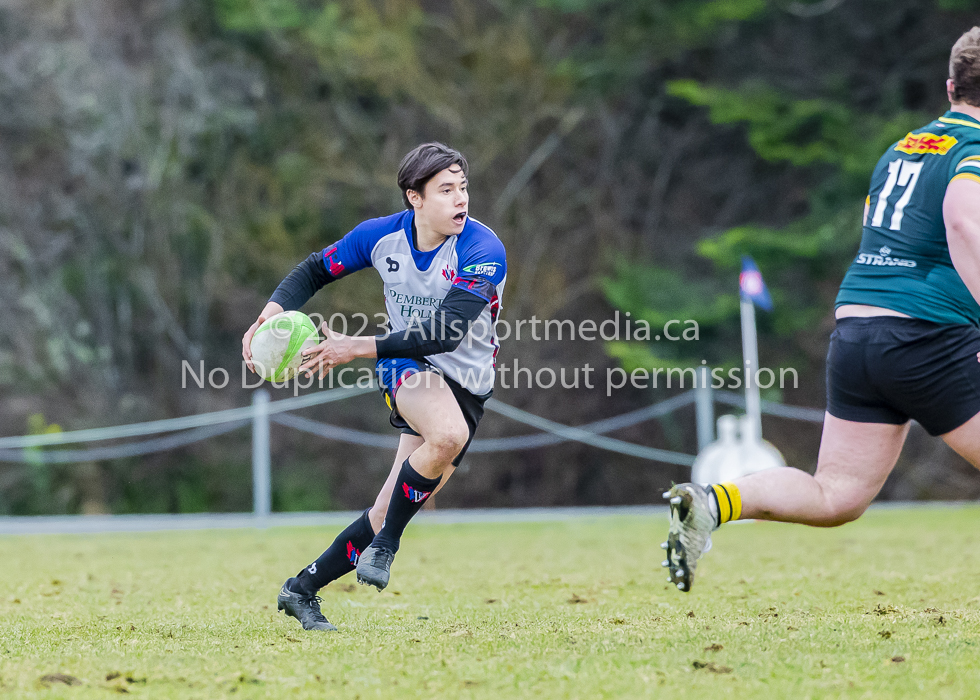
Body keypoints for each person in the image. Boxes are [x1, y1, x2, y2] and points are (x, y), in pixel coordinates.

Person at [663, 27, 980, 593]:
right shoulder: (974, 148)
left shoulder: (903, 147)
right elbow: (963, 220)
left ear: (951, 85)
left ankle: (715, 501)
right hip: (926, 336)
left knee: (836, 495)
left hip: (858, 332)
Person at [241, 143, 506, 629]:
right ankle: (386, 548)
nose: (460, 199)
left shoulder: (482, 250)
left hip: (468, 384)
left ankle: (300, 590)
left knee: (390, 508)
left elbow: (445, 332)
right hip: (406, 364)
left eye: (463, 187)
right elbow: (316, 269)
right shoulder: (381, 237)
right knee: (447, 437)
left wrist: (352, 347)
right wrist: (268, 317)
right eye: (446, 190)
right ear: (415, 198)